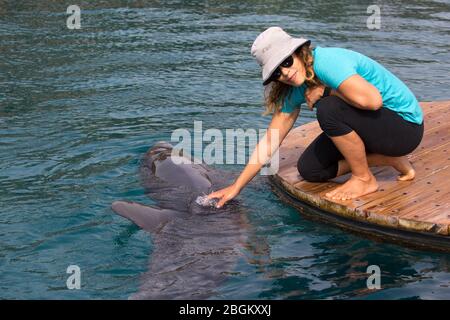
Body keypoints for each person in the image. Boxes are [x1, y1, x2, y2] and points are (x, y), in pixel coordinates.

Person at [207, 26, 424, 208]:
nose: (285, 73)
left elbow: (373, 101)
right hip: (376, 128)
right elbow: (270, 141)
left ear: (299, 52)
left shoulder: (327, 62)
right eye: (276, 72)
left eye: (286, 62)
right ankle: (387, 159)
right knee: (311, 169)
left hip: (405, 127)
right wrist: (236, 187)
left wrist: (325, 91)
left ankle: (364, 179)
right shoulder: (294, 88)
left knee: (328, 109)